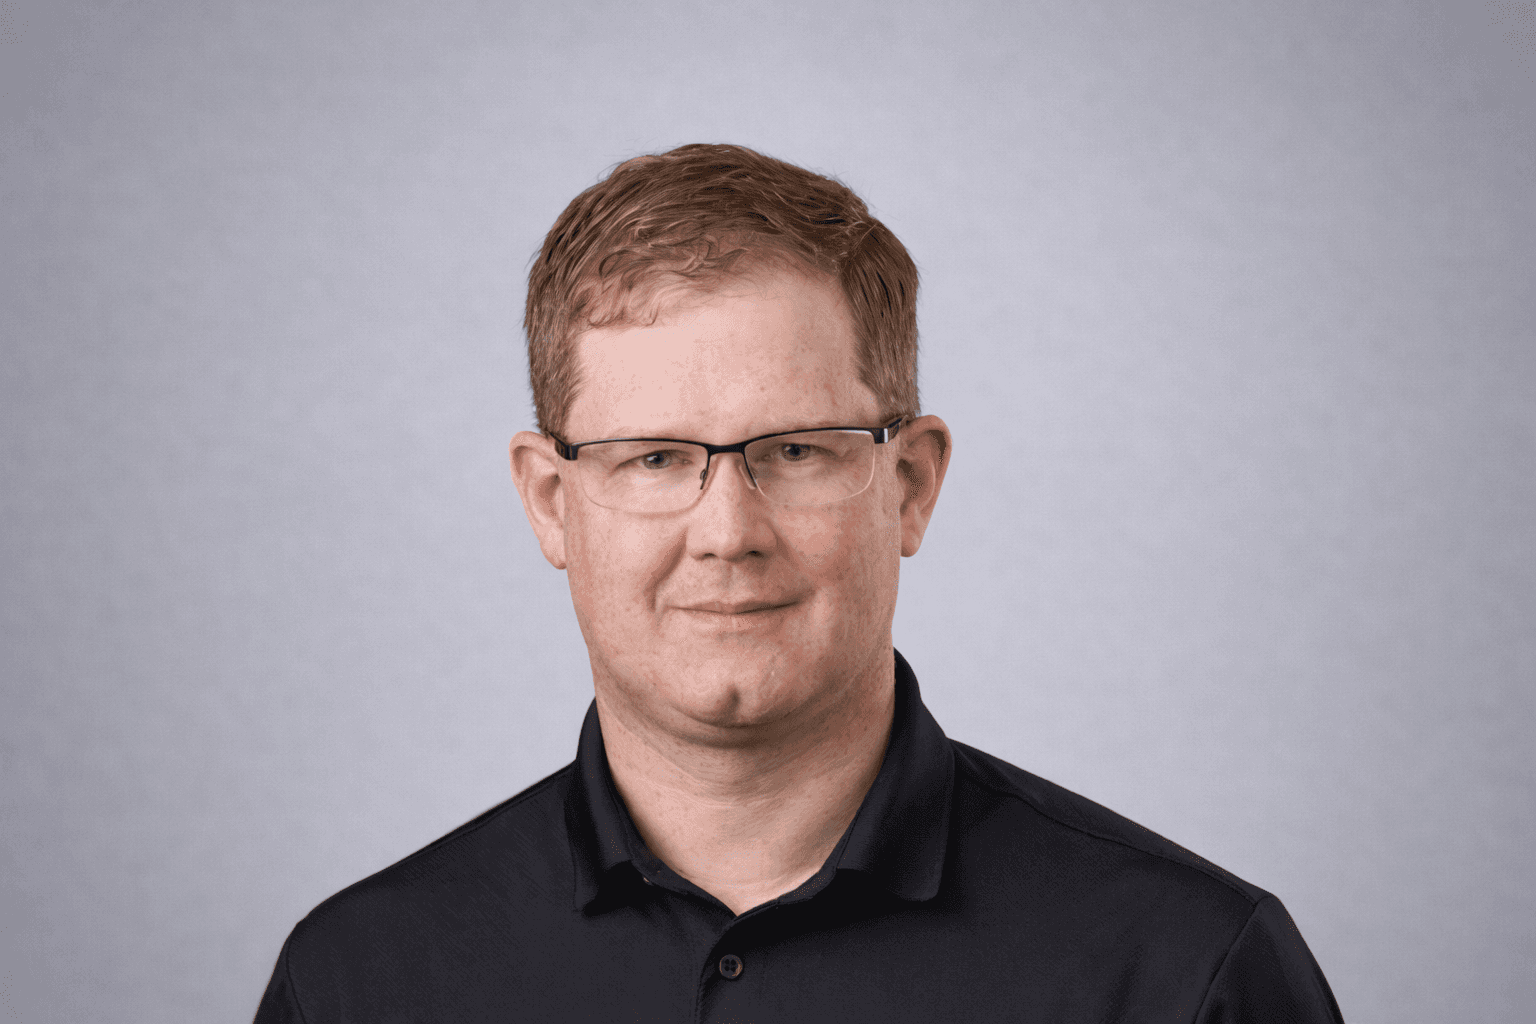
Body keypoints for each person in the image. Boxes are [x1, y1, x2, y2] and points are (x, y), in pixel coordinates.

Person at [253, 143, 1344, 1023]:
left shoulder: (1185, 973)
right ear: (550, 501)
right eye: (654, 457)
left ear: (910, 484)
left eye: (796, 451)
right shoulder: (359, 982)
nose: (728, 533)